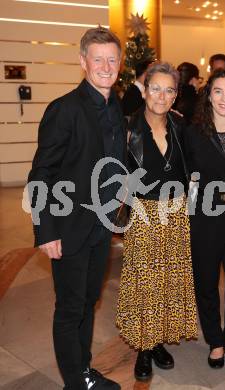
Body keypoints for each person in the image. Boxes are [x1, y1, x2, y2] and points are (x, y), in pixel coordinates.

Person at [28, 27, 125, 390]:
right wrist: (45, 230)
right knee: (70, 309)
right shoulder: (64, 110)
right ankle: (75, 381)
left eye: (112, 59)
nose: (105, 66)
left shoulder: (115, 107)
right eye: (97, 59)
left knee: (88, 302)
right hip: (67, 227)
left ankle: (82, 368)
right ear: (82, 61)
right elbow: (41, 174)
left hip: (100, 227)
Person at [116, 62, 198, 382]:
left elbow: (191, 167)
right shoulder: (127, 127)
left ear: (176, 95)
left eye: (169, 90)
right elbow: (112, 172)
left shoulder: (181, 127)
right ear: (145, 89)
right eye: (156, 88)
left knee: (170, 281)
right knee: (145, 284)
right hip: (144, 213)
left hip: (176, 213)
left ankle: (160, 340)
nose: (161, 96)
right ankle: (144, 349)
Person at [184, 68, 225, 369]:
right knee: (206, 283)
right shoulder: (193, 132)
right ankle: (215, 340)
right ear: (208, 95)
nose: (224, 98)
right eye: (218, 91)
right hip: (205, 219)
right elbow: (183, 176)